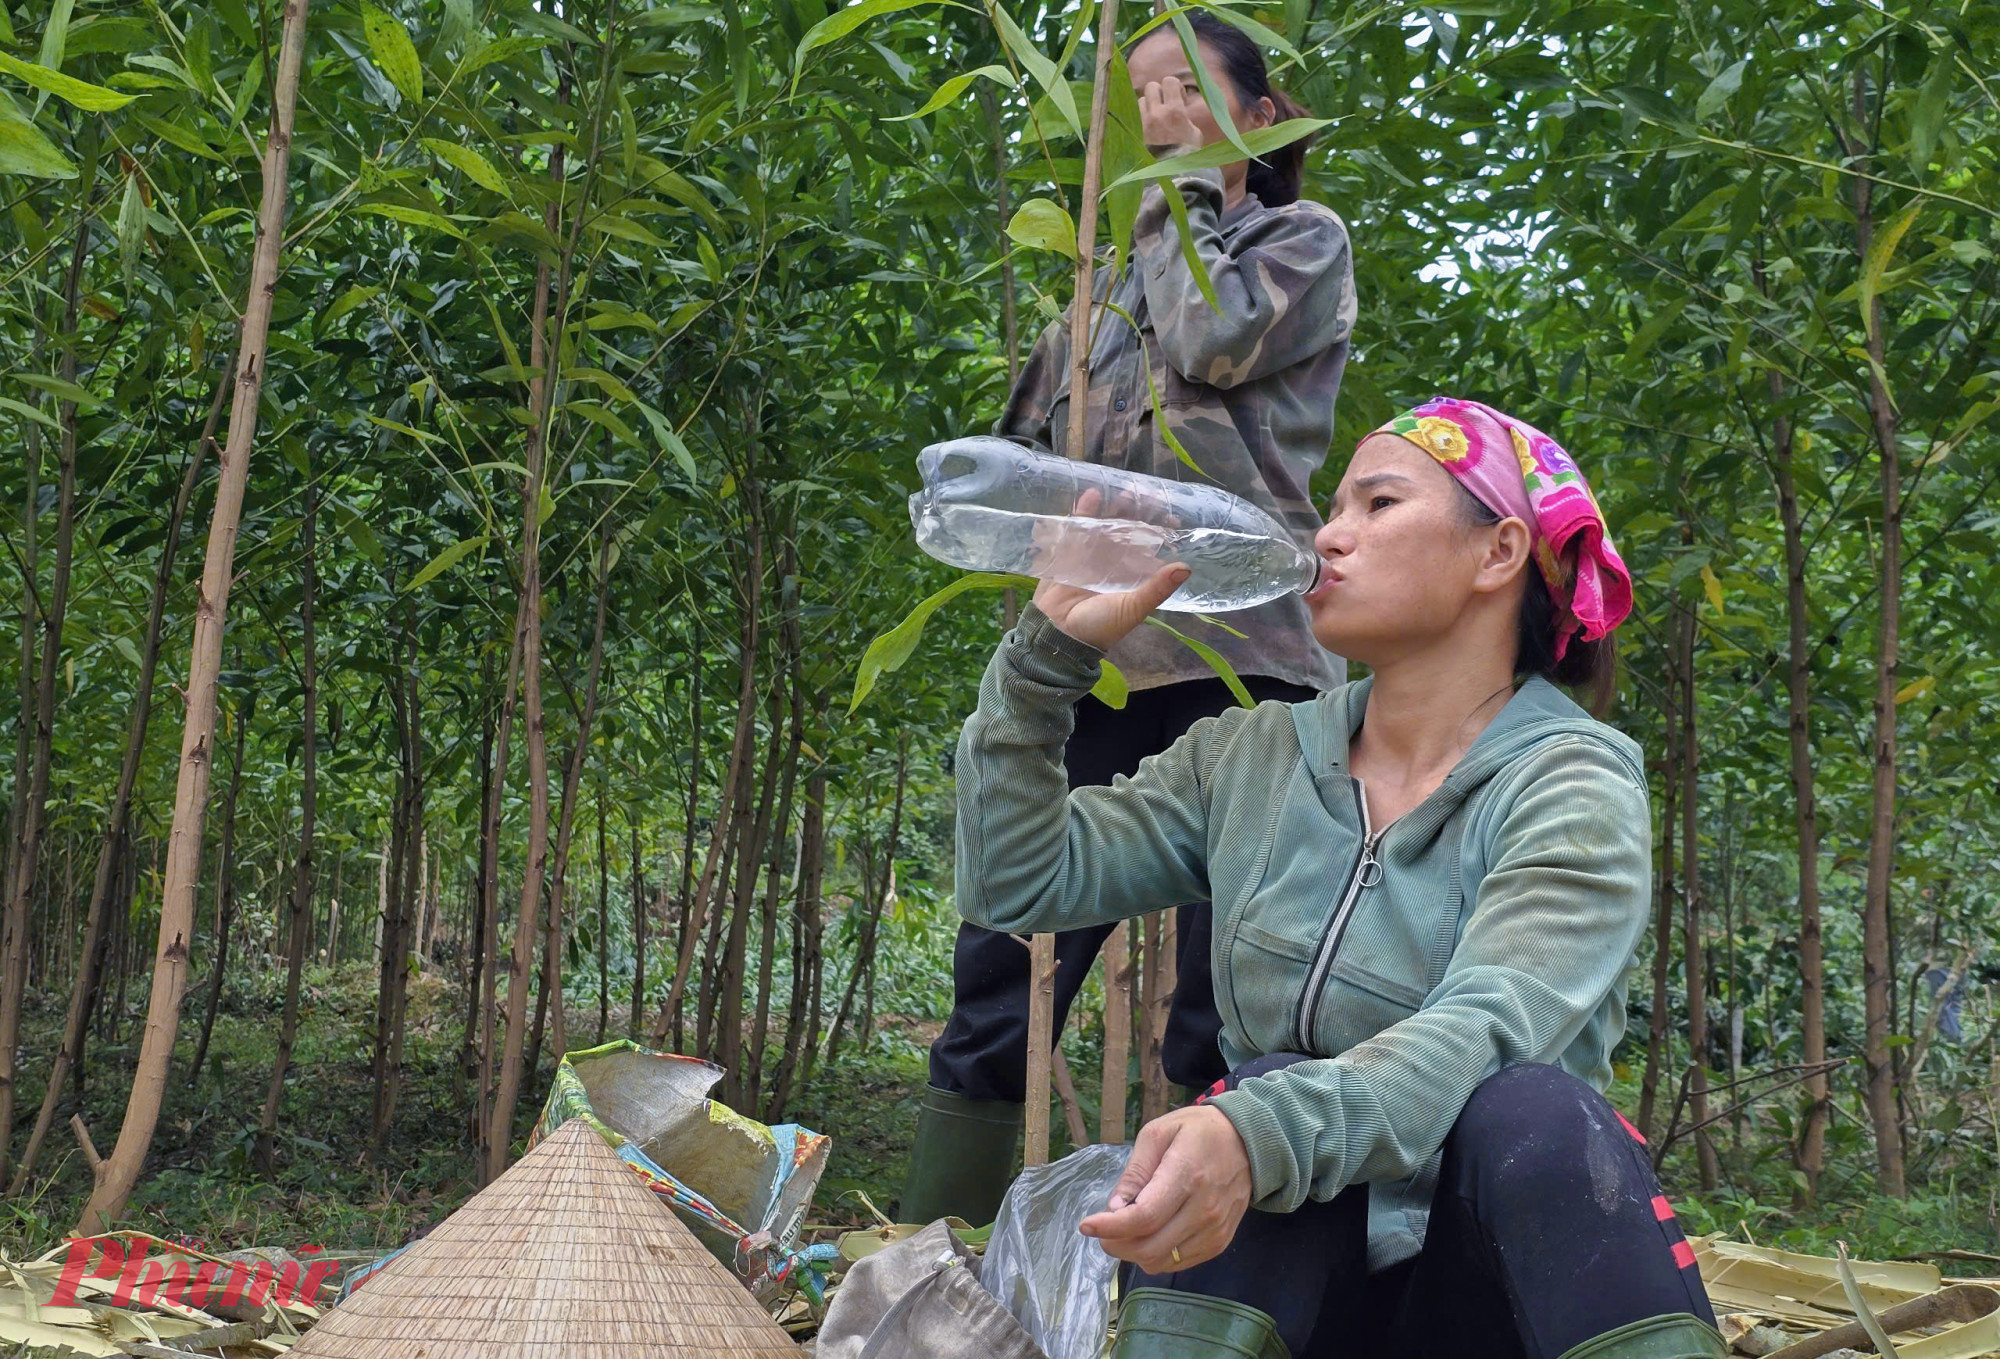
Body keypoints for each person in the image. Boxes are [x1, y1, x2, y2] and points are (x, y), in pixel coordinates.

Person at [954, 399, 1726, 1359]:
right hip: (1305, 1300)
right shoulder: (1253, 756)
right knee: (1263, 1084)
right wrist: (1043, 664)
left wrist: (1254, 1132)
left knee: (1535, 1111)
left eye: (1378, 503)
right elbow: (1017, 881)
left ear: (1499, 553)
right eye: (1334, 507)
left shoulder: (1573, 781)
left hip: (1485, 1305)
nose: (1329, 534)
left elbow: (1483, 1031)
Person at [900, 14, 1360, 1228]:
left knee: (1229, 985)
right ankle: (929, 1246)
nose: (1157, 112)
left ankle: (1208, 1260)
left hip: (1244, 656)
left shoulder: (1296, 241)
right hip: (1106, 663)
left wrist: (1173, 211)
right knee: (1001, 963)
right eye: (1140, 92)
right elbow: (1017, 458)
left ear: (1262, 121)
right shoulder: (1095, 293)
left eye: (1185, 90)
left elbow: (1212, 344)